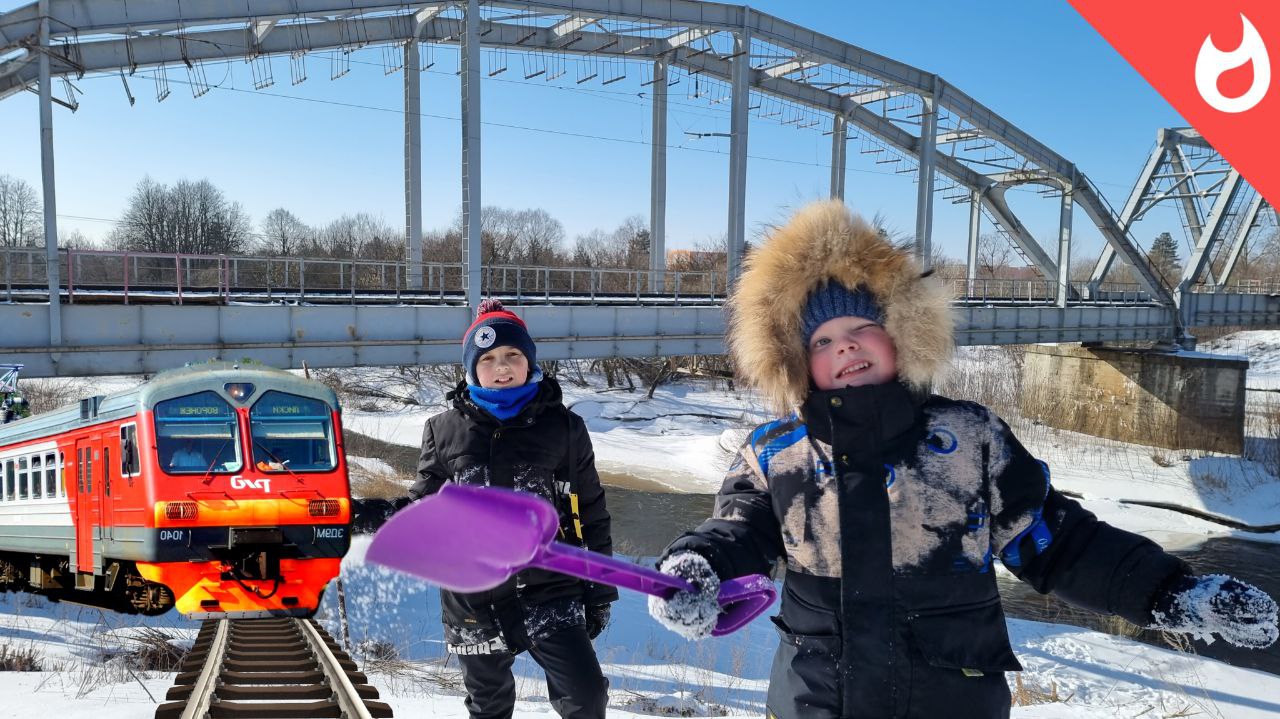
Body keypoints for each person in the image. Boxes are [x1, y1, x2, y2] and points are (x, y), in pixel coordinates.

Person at [647, 200, 1278, 719]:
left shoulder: (969, 441)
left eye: (863, 329)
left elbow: (1058, 544)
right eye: (823, 340)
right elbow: (739, 530)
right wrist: (697, 566)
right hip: (817, 702)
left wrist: (1171, 592)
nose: (847, 349)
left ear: (900, 333)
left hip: (952, 699)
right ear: (796, 360)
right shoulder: (777, 455)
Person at [409, 298, 616, 719]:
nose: (501, 367)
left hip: (550, 589)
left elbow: (591, 510)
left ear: (529, 361)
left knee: (587, 697)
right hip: (473, 600)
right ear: (471, 370)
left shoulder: (564, 428)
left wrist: (599, 590)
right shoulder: (444, 430)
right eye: (487, 359)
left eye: (512, 355)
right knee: (490, 706)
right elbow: (421, 506)